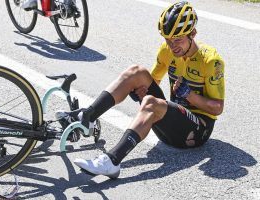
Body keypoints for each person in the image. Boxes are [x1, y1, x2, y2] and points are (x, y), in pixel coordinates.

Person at [57, 1, 225, 179]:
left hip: (197, 131)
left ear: (193, 33)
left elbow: (218, 108)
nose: (172, 45)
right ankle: (88, 116)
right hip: (172, 123)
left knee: (151, 104)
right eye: (168, 39)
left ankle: (112, 161)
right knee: (136, 72)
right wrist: (141, 91)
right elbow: (151, 81)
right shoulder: (167, 51)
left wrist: (189, 95)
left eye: (178, 39)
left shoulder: (211, 62)